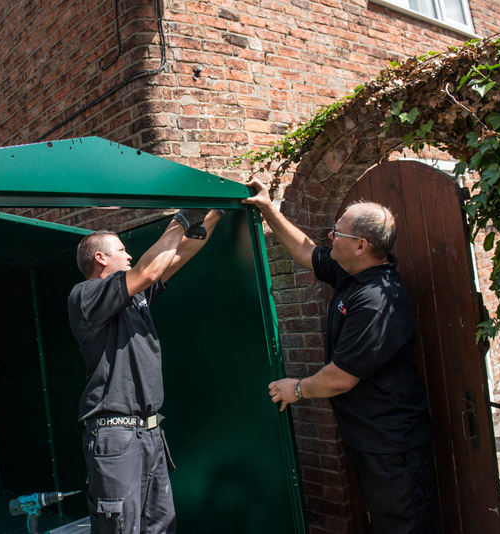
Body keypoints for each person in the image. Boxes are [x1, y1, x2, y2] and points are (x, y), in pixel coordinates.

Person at [243, 178, 434, 534]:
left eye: (337, 232)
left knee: (405, 527)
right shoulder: (352, 273)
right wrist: (268, 208)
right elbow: (305, 250)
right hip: (372, 439)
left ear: (361, 245)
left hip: (392, 445)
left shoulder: (376, 300)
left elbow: (341, 377)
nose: (330, 236)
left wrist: (295, 389)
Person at [68, 209, 222, 534]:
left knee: (162, 526)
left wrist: (214, 212)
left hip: (150, 434)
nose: (129, 255)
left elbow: (177, 255)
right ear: (101, 257)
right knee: (123, 529)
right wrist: (182, 217)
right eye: (122, 250)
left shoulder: (135, 297)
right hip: (115, 437)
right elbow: (149, 271)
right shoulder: (86, 295)